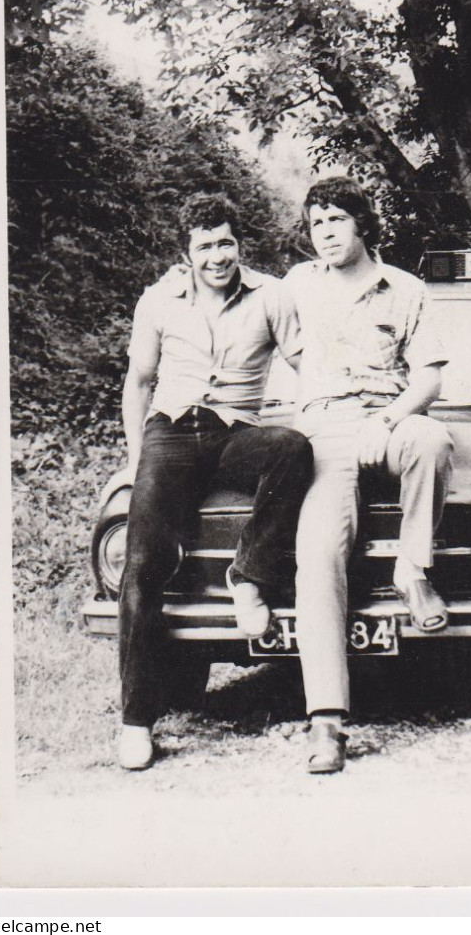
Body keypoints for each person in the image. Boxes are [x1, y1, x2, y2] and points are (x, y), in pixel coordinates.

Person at [117, 193, 313, 770]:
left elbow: (307, 364)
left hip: (236, 432)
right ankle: (135, 722)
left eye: (225, 243)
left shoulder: (271, 296)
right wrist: (136, 459)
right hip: (171, 434)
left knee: (294, 449)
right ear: (187, 253)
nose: (217, 256)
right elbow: (140, 381)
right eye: (204, 246)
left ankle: (248, 576)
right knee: (144, 560)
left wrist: (331, 406)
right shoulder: (157, 301)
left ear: (239, 245)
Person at [284, 178, 454, 775]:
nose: (325, 232)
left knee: (432, 438)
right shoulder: (297, 287)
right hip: (324, 429)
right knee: (317, 551)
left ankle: (412, 569)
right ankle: (326, 722)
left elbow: (429, 380)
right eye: (315, 224)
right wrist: (183, 280)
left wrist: (387, 418)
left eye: (335, 219)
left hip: (387, 417)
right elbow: (236, 292)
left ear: (362, 225)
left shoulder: (405, 290)